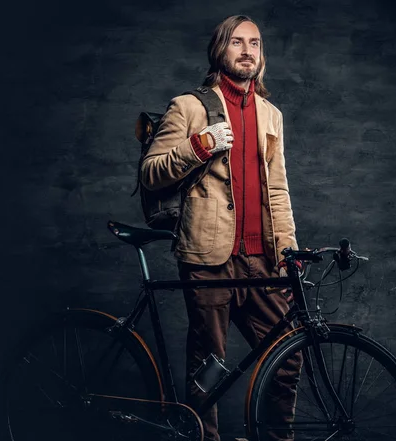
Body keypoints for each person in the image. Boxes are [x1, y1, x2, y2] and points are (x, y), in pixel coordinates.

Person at [141, 15, 302, 441]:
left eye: (255, 43)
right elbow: (151, 173)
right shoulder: (189, 107)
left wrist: (288, 250)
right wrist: (198, 146)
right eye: (237, 42)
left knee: (286, 359)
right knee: (208, 368)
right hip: (208, 258)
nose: (247, 50)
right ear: (220, 50)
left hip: (261, 261)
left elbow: (278, 190)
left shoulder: (271, 115)